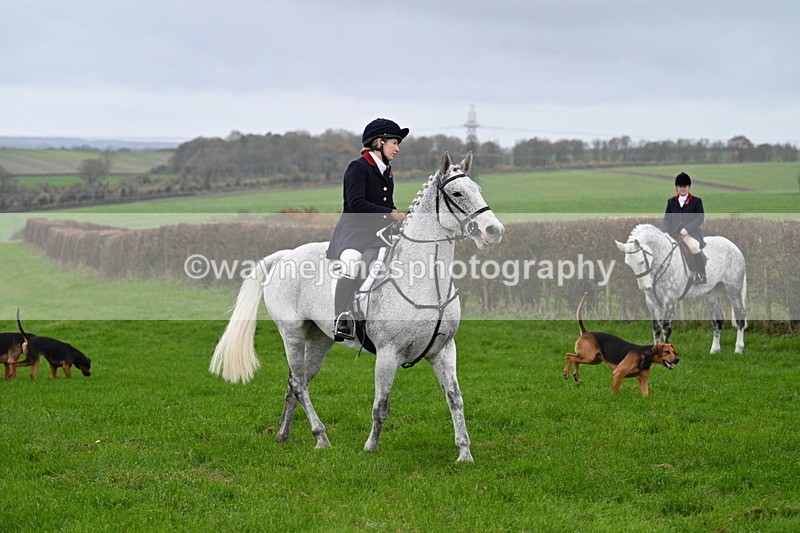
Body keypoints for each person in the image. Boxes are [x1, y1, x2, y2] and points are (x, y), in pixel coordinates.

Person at [326, 118, 408, 341]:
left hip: (379, 232)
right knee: (352, 263)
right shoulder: (358, 167)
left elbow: (385, 202)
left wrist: (399, 217)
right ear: (379, 142)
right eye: (394, 143)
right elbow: (356, 203)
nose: (397, 149)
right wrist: (389, 213)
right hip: (354, 232)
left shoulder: (386, 171)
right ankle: (341, 319)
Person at [662, 171, 706, 284]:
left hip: (691, 233)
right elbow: (667, 218)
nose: (682, 188)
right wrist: (665, 231)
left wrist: (687, 229)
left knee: (694, 247)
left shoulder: (696, 201)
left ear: (689, 187)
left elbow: (699, 219)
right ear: (676, 188)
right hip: (673, 233)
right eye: (680, 186)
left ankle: (701, 274)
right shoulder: (671, 202)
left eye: (685, 186)